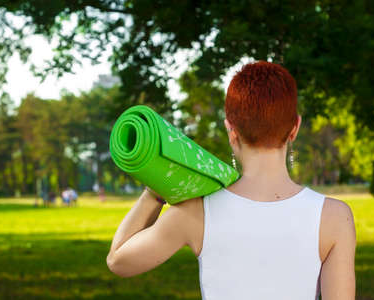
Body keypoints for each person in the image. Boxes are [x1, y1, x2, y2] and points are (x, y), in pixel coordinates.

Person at [106, 61, 356, 299]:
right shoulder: (335, 217)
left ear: (230, 130)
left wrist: (157, 186)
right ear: (295, 128)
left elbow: (118, 261)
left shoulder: (197, 210)